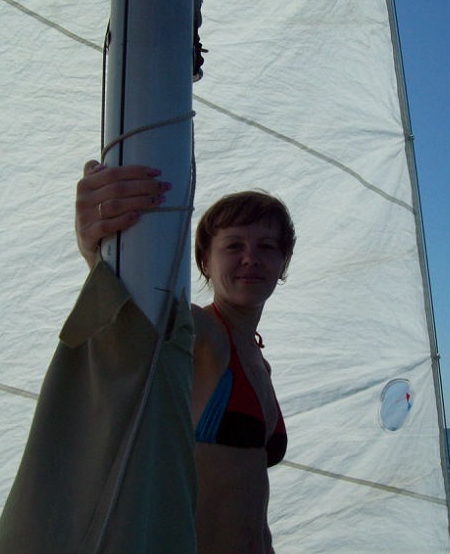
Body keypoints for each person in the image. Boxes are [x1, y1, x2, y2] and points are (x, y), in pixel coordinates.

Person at [75, 160, 296, 554]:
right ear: (205, 262)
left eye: (267, 247)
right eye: (234, 246)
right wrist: (95, 251)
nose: (251, 258)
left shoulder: (259, 362)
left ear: (282, 264)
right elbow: (136, 314)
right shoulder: (201, 332)